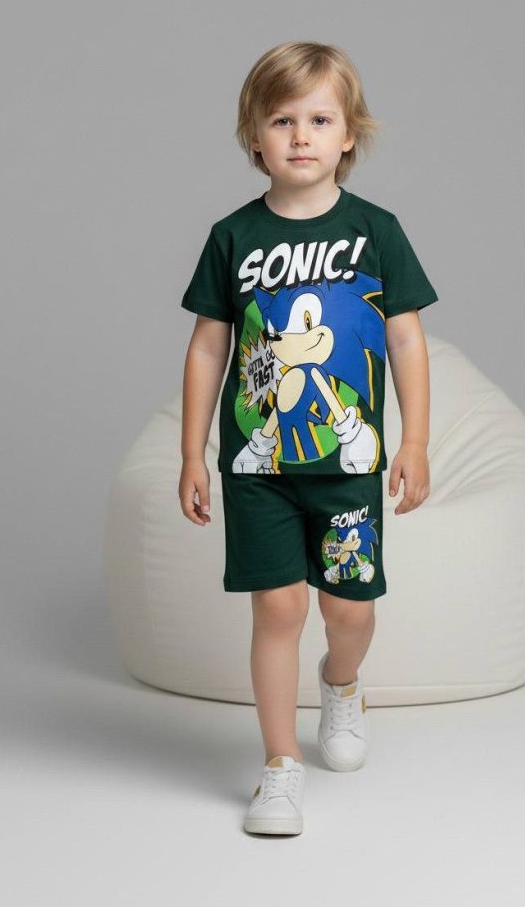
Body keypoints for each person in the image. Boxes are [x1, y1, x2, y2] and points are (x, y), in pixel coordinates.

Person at [178, 41, 438, 836]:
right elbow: (208, 348)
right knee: (278, 607)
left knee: (347, 609)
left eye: (319, 120)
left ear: (348, 135)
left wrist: (415, 441)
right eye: (281, 120)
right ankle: (279, 766)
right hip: (258, 468)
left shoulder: (375, 232)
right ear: (254, 136)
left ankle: (341, 682)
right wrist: (191, 452)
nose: (300, 136)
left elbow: (404, 339)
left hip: (347, 467)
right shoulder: (233, 237)